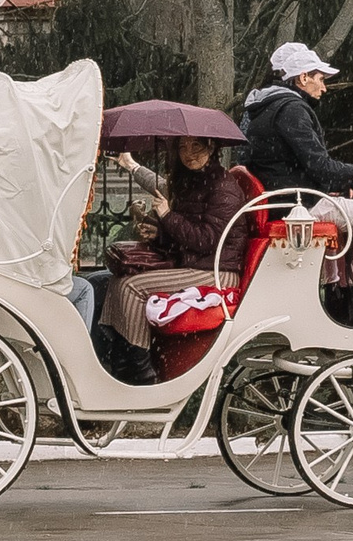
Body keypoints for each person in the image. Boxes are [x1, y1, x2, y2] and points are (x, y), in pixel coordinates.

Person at [240, 41, 353, 328]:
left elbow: (297, 166)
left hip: (283, 203)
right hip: (299, 210)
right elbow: (321, 167)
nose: (324, 87)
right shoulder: (291, 109)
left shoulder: (259, 109)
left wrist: (352, 180)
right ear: (303, 77)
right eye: (320, 79)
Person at [98, 135, 258, 383]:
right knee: (114, 280)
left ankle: (140, 373)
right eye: (182, 147)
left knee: (131, 288)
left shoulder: (223, 187)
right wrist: (158, 231)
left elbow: (206, 240)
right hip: (194, 262)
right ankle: (115, 363)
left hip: (216, 270)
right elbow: (185, 233)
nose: (188, 153)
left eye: (196, 146)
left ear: (211, 146)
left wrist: (167, 216)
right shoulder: (194, 181)